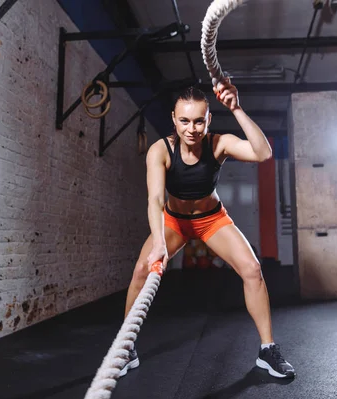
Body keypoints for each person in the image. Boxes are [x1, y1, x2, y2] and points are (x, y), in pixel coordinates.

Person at [119, 78, 295, 379]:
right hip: (174, 222)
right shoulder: (159, 151)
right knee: (140, 271)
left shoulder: (219, 143)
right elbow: (155, 200)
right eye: (184, 120)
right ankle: (127, 347)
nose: (192, 128)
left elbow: (263, 153)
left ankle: (267, 350)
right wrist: (160, 243)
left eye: (199, 121)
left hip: (211, 220)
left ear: (208, 119)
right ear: (174, 119)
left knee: (252, 269)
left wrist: (236, 108)